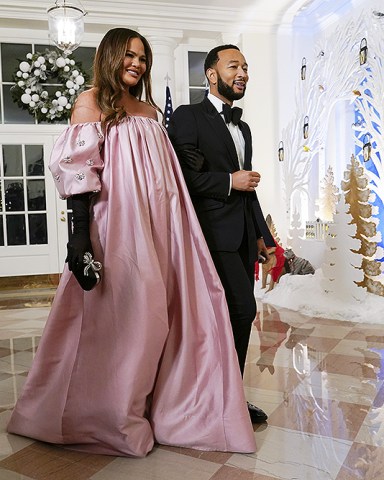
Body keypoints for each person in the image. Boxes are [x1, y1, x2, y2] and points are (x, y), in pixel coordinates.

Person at [7, 29, 256, 457]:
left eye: (142, 57)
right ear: (108, 56)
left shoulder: (150, 111)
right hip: (118, 227)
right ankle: (109, 410)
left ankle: (163, 404)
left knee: (169, 315)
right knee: (127, 319)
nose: (136, 64)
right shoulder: (90, 103)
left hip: (163, 226)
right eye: (128, 55)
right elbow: (80, 173)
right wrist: (81, 234)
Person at [167, 44, 274, 424]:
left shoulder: (242, 126)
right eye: (234, 66)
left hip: (243, 235)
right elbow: (183, 179)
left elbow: (250, 186)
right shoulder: (188, 116)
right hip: (211, 234)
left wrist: (263, 236)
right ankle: (220, 398)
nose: (242, 72)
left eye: (245, 66)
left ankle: (226, 397)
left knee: (236, 315)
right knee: (242, 310)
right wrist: (230, 180)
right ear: (212, 74)